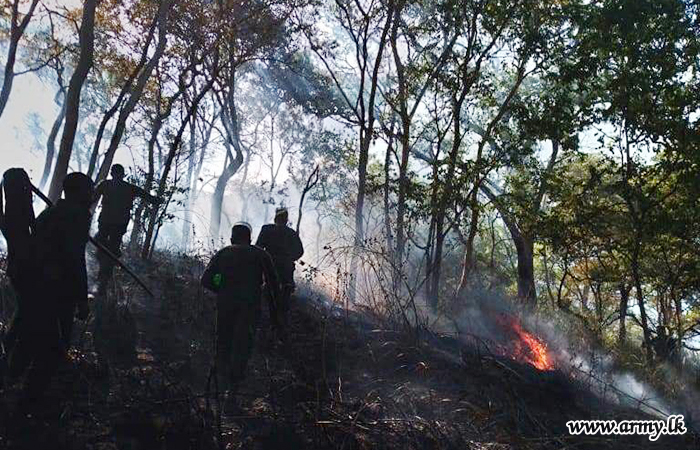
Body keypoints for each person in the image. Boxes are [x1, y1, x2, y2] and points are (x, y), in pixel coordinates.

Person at [8, 172, 93, 409]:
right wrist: (82, 300)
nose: (92, 196)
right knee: (53, 350)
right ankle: (26, 406)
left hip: (35, 288)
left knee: (28, 341)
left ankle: (9, 384)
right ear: (79, 193)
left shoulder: (51, 214)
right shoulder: (76, 216)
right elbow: (76, 260)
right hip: (55, 293)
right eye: (89, 190)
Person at [201, 222, 279, 398]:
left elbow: (206, 280)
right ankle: (233, 392)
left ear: (232, 237)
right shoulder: (261, 255)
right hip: (250, 308)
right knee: (243, 346)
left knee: (223, 344)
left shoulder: (224, 253)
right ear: (250, 238)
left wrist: (221, 288)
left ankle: (217, 390)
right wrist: (276, 314)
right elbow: (274, 286)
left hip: (225, 306)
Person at [92, 164, 159, 291]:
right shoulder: (121, 187)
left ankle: (104, 279)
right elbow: (147, 196)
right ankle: (104, 276)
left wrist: (155, 200)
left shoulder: (107, 185)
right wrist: (155, 200)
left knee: (106, 248)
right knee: (108, 249)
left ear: (113, 174)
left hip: (113, 223)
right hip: (114, 224)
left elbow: (92, 198)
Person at [255, 207, 304, 329]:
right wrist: (289, 258)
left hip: (270, 267)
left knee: (270, 292)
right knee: (285, 293)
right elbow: (300, 251)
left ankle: (272, 322)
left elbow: (258, 247)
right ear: (286, 219)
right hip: (286, 269)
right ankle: (282, 322)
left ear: (275, 217)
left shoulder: (267, 229)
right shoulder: (291, 233)